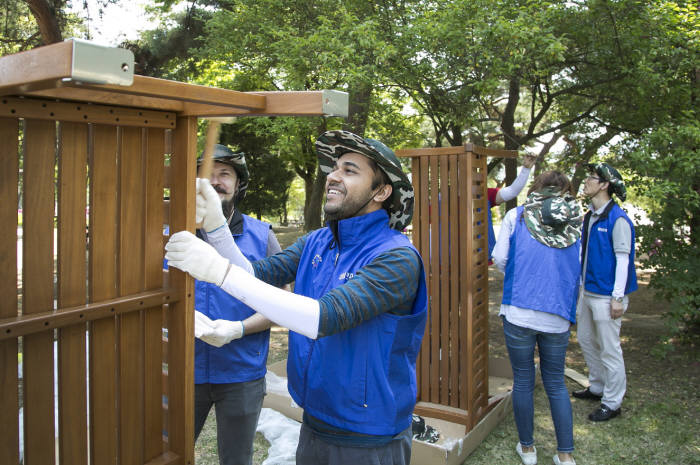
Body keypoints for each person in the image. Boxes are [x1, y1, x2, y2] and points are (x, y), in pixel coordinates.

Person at [165, 130, 428, 465]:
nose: (332, 176)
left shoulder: (397, 258)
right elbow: (254, 274)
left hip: (368, 436)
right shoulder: (318, 241)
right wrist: (217, 226)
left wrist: (218, 271)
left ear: (381, 191)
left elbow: (324, 317)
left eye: (349, 170)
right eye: (334, 168)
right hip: (314, 420)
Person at [190, 145, 285, 465]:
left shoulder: (262, 236)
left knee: (236, 459)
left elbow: (281, 303)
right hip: (181, 369)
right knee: (167, 452)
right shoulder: (169, 233)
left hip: (241, 373)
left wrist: (238, 328)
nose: (215, 181)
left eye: (224, 174)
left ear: (238, 183)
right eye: (208, 174)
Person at [493, 171, 582, 465]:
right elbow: (580, 269)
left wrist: (522, 278)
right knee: (556, 382)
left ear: (537, 188)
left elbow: (501, 258)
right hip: (557, 313)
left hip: (518, 309)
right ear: (564, 191)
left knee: (523, 379)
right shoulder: (576, 221)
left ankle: (528, 449)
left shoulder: (516, 216)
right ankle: (565, 455)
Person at [572, 163, 637, 422]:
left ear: (604, 185)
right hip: (587, 292)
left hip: (607, 296)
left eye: (591, 178)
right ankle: (597, 387)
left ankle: (612, 402)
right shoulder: (590, 215)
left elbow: (623, 260)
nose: (586, 182)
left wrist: (617, 298)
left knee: (610, 349)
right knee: (586, 340)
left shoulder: (617, 219)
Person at [487, 153, 537, 261]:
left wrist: (526, 170)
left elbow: (512, 191)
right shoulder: (441, 196)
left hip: (474, 253)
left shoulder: (483, 194)